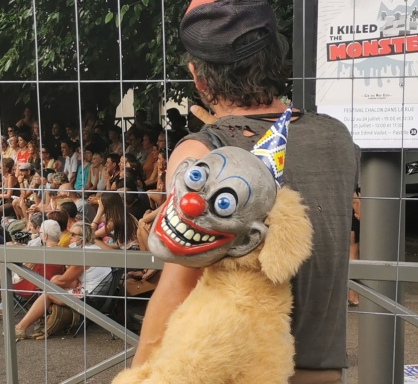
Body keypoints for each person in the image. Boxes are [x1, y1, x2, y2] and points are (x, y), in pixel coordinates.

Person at [131, 2, 358, 384]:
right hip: (323, 373)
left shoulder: (203, 153)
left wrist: (139, 374)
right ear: (277, 57)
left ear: (198, 78)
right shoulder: (336, 137)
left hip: (233, 372)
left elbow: (177, 288)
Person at [10, 222, 111, 338]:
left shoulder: (84, 254)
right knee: (54, 283)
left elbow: (63, 281)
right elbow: (70, 281)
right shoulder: (94, 248)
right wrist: (59, 280)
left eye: (73, 234)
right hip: (98, 295)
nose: (69, 237)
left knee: (47, 293)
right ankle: (35, 323)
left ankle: (20, 328)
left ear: (83, 238)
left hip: (90, 299)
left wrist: (53, 283)